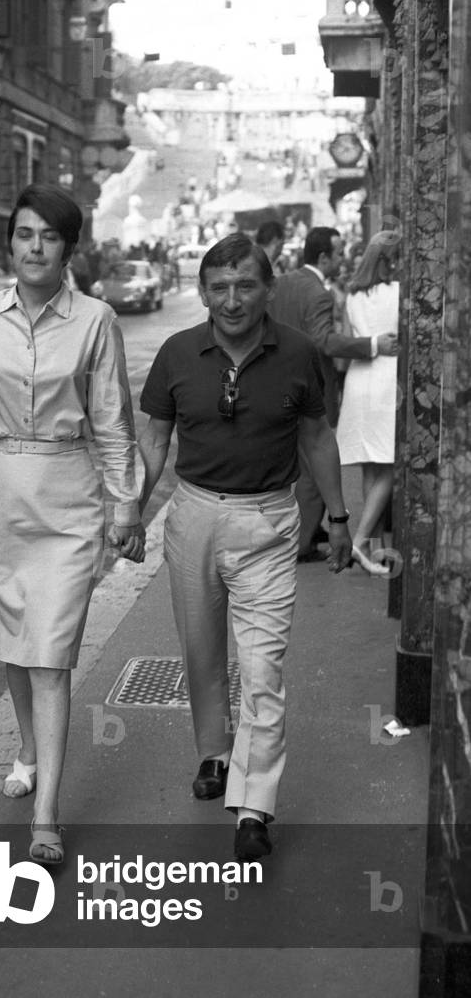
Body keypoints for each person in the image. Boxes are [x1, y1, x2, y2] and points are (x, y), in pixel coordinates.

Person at [0, 185, 146, 865]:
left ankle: (46, 814)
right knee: (14, 643)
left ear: (69, 248)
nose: (34, 247)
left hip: (69, 501)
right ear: (9, 244)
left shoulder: (97, 319)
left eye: (48, 236)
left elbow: (112, 419)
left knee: (50, 653)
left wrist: (124, 502)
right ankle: (25, 746)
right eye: (23, 234)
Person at [138, 233, 353, 860]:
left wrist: (336, 517)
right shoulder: (178, 353)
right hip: (194, 516)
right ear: (203, 292)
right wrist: (127, 509)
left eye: (245, 286)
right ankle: (213, 751)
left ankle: (254, 804)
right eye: (219, 287)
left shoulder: (301, 354)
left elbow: (317, 438)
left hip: (269, 523)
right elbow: (155, 441)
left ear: (267, 289)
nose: (232, 300)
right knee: (201, 651)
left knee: (262, 668)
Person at [269, 227, 399, 561]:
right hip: (311, 387)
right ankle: (303, 543)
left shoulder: (284, 283)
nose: (342, 260)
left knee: (296, 465)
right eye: (338, 253)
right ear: (323, 257)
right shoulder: (320, 294)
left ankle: (313, 532)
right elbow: (325, 341)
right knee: (314, 470)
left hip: (277, 383)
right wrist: (374, 344)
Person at [335, 231, 401, 575]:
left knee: (370, 465)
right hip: (388, 380)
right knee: (389, 465)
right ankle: (361, 541)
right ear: (391, 260)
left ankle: (376, 550)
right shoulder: (399, 291)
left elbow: (347, 345)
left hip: (359, 380)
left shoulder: (353, 295)